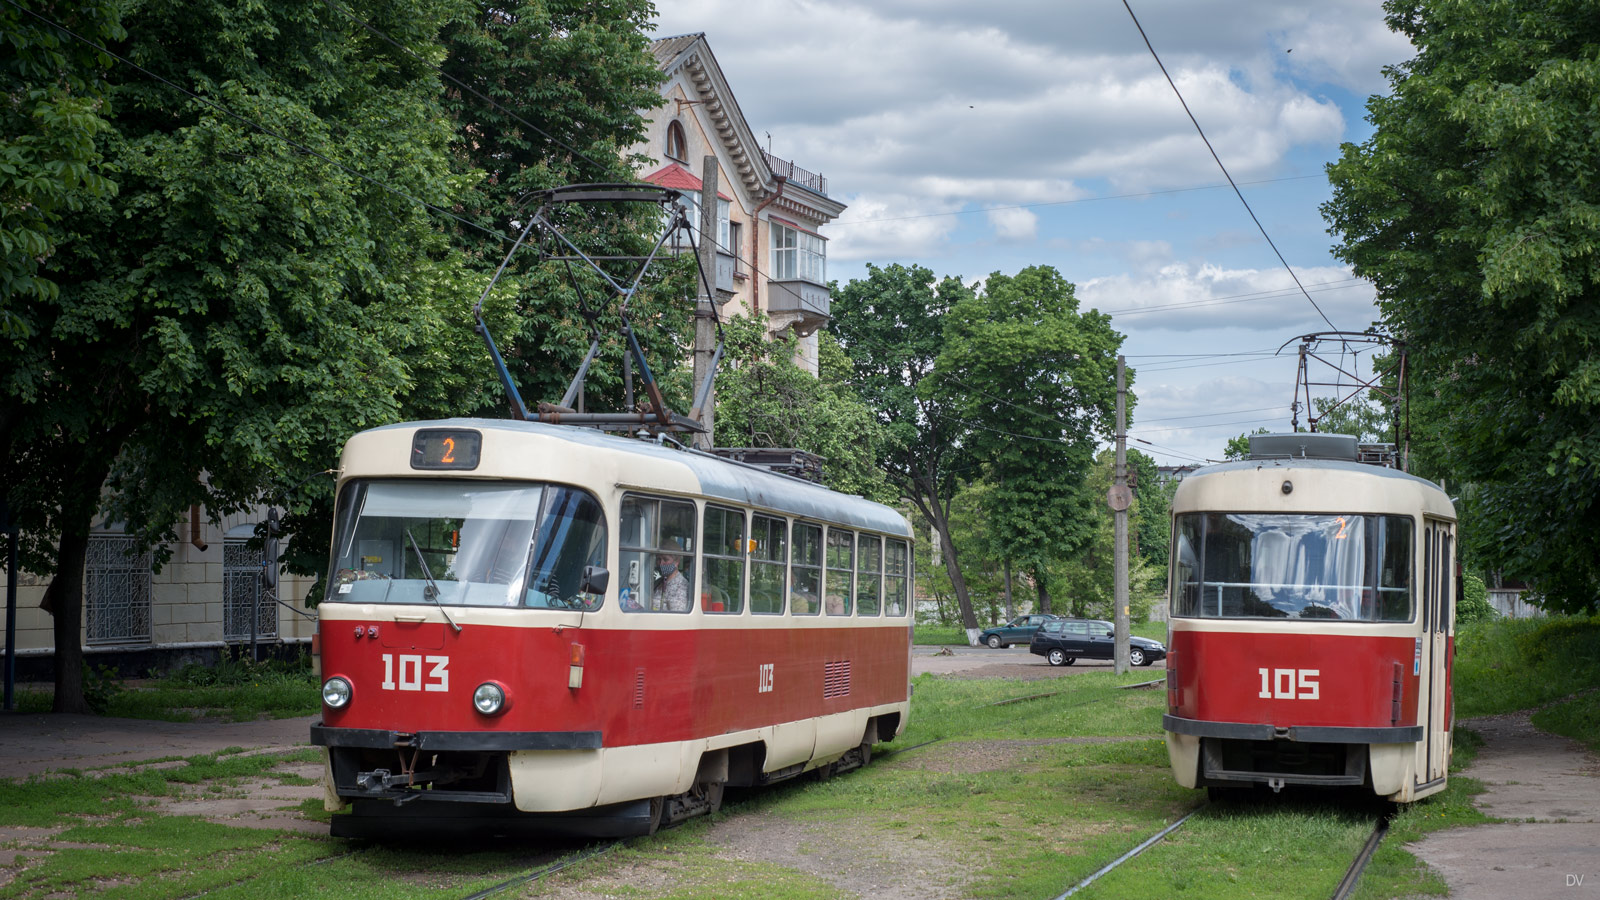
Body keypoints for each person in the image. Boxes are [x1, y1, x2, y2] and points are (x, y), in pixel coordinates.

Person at [654, 544, 691, 612]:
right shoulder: (660, 580)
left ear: (677, 562)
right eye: (658, 559)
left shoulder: (680, 585)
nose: (661, 563)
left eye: (665, 559)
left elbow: (677, 616)